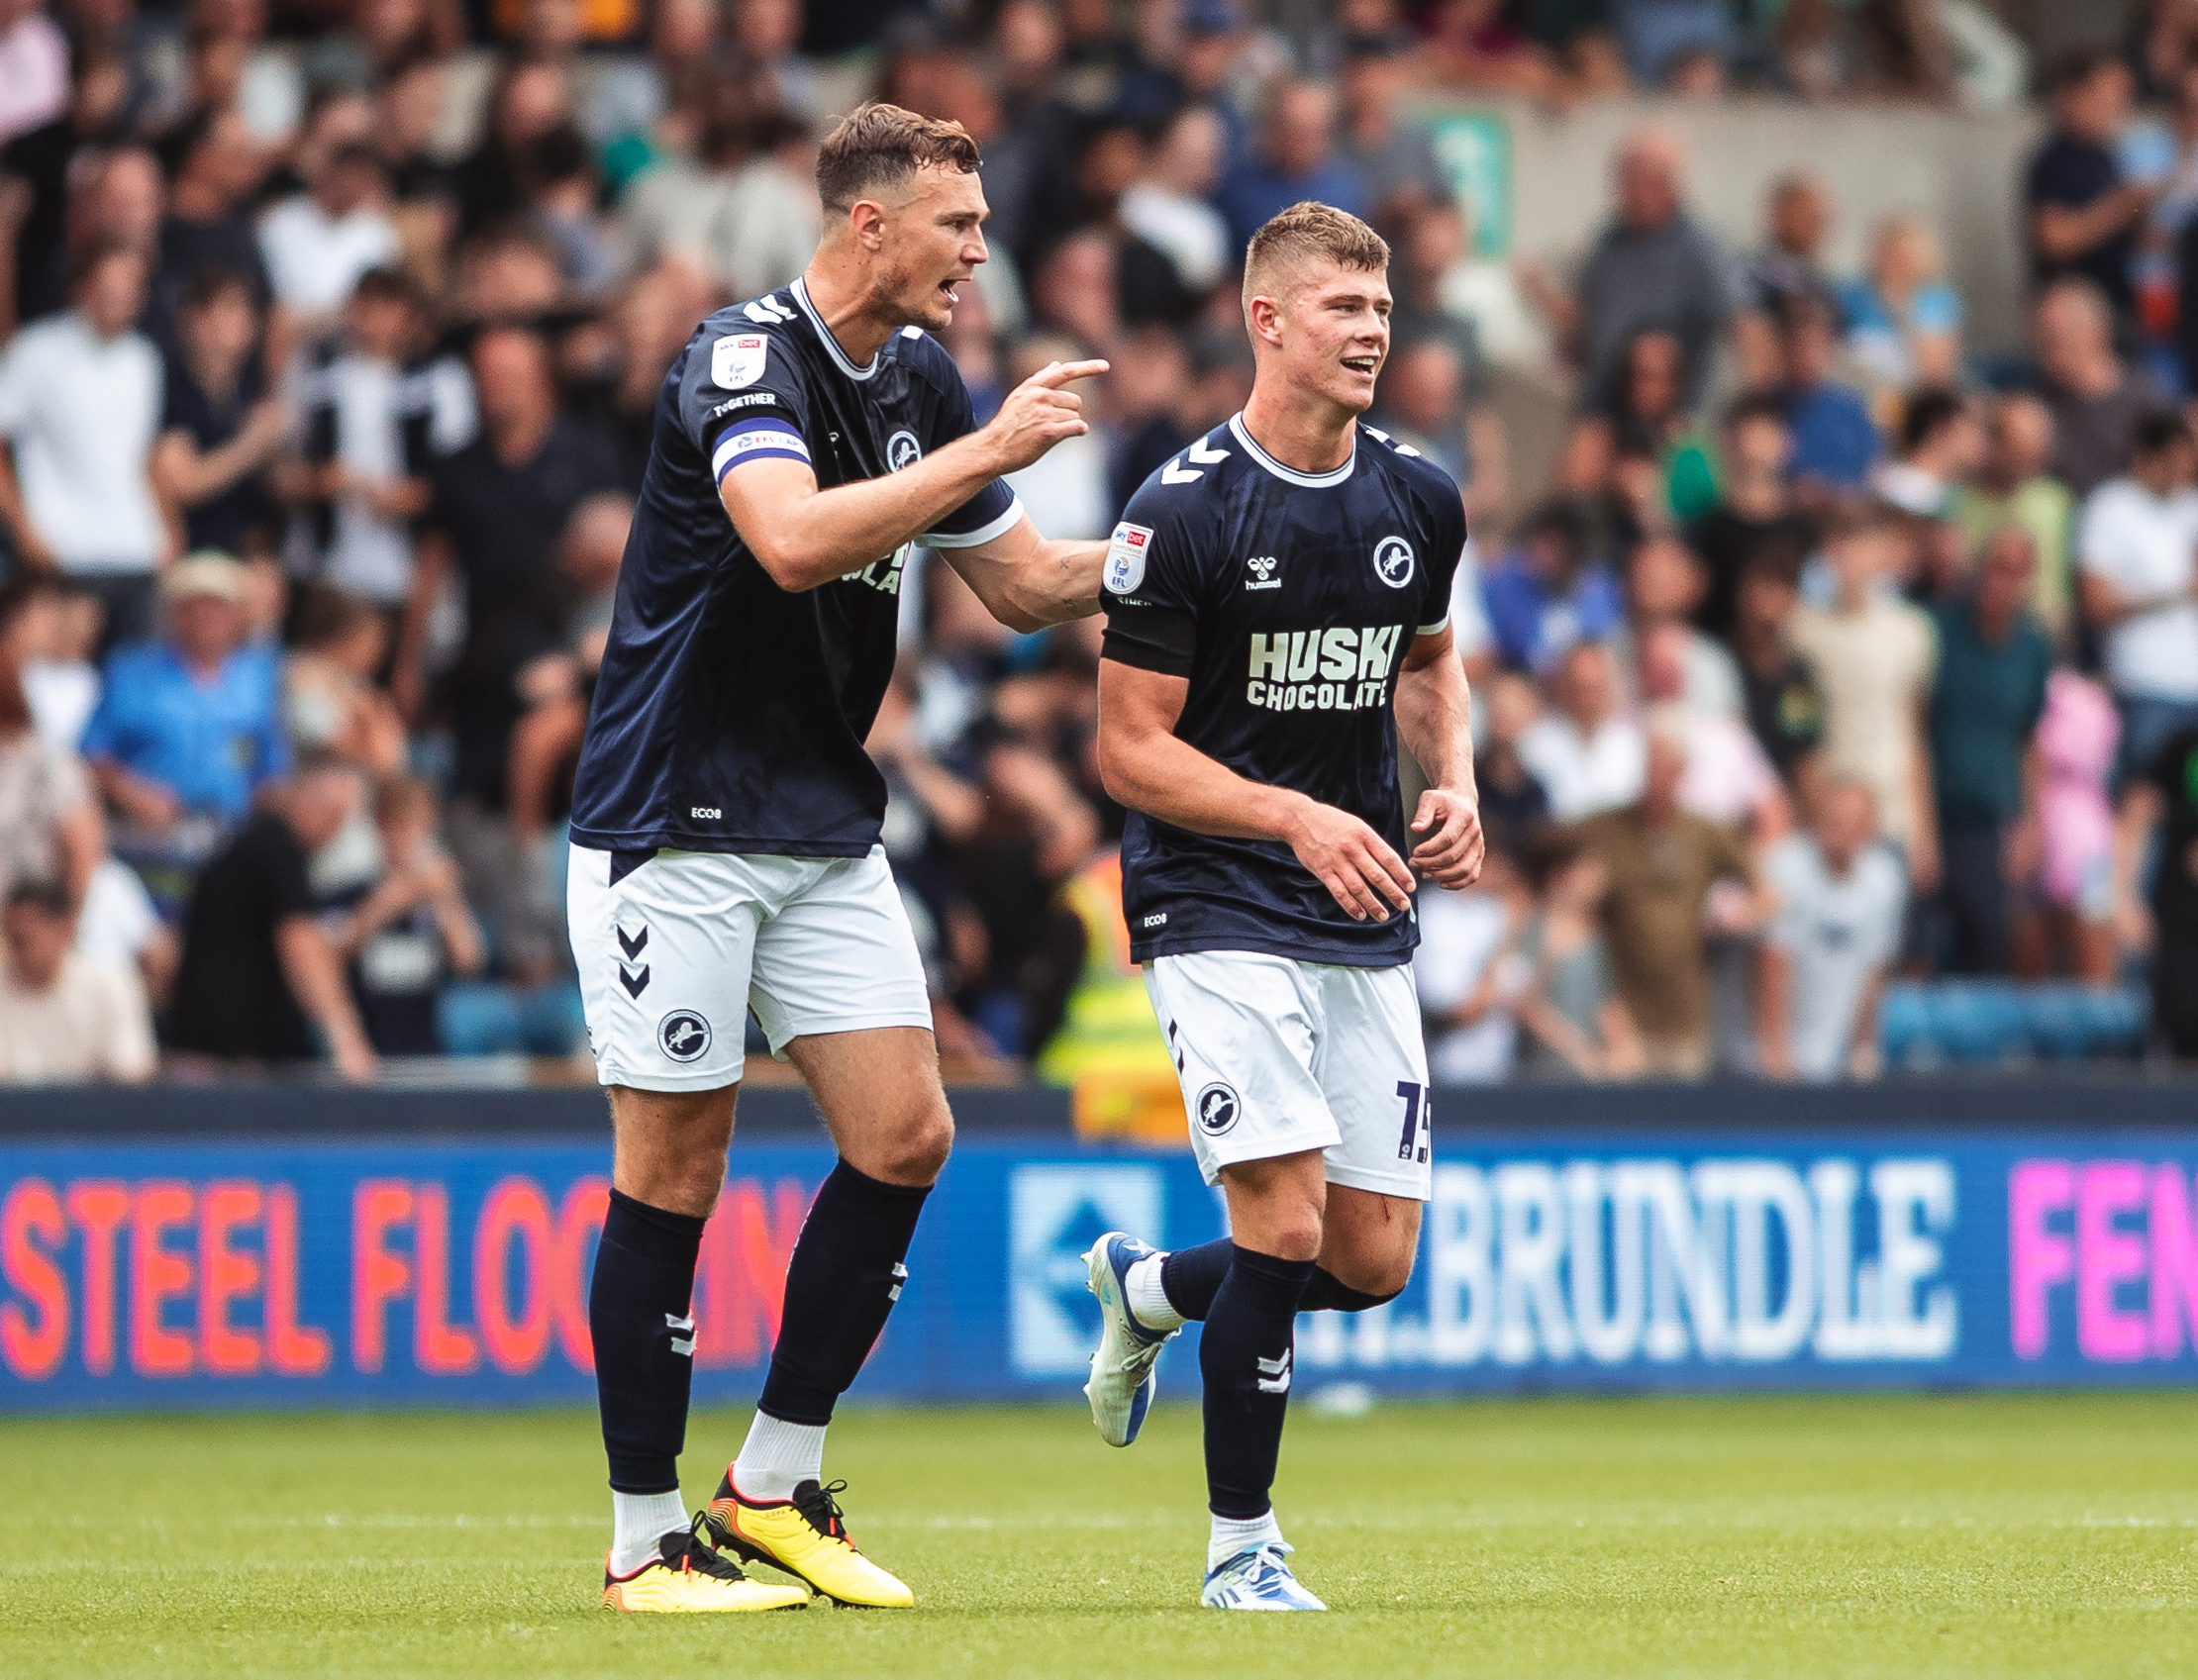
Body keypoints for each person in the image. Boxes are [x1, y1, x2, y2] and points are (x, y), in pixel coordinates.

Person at [565, 103, 1115, 1614]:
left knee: (907, 1136)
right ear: (869, 222)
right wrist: (992, 445)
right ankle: (635, 1544)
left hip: (817, 821)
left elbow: (1019, 587)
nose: (979, 251)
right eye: (958, 225)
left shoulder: (923, 380)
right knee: (675, 1165)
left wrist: (1194, 549)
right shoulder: (742, 357)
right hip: (672, 819)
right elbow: (792, 539)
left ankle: (765, 1488)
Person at [1076, 201, 1481, 1612]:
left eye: (1382, 311)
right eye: (1343, 311)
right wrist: (1296, 814)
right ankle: (1240, 1549)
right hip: (1216, 890)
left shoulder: (1419, 497)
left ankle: (1154, 1294)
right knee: (1289, 1227)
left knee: (1371, 1259)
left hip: (1357, 892)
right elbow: (1127, 748)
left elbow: (1429, 663)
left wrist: (1457, 780)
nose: (1373, 333)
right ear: (1267, 321)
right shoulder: (1180, 508)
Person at [162, 749, 377, 1079]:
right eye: (333, 815)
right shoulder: (278, 853)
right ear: (304, 802)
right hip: (230, 1065)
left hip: (218, 1054)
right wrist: (346, 1039)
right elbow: (301, 947)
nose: (335, 830)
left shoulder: (251, 846)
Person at [0, 243, 170, 649]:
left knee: (129, 690)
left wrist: (167, 529)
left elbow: (141, 456)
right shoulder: (35, 350)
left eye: (131, 288)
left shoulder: (145, 359)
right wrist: (25, 531)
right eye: (111, 288)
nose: (122, 298)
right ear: (82, 289)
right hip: (65, 553)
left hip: (136, 553)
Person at [1579, 727, 1756, 1077]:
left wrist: (1737, 917)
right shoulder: (1604, 828)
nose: (1656, 778)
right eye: (1651, 767)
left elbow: (1763, 887)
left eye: (1666, 768)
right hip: (1623, 1014)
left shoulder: (1702, 832)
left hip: (1686, 1013)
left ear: (1681, 775)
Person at [80, 552, 288, 844]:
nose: (205, 617)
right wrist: (130, 792)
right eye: (192, 606)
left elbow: (271, 767)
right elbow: (91, 755)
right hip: (146, 834)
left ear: (238, 614)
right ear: (172, 612)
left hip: (230, 833)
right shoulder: (131, 671)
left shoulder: (258, 676)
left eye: (217, 606)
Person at [1788, 505, 1940, 893]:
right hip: (1830, 817)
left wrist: (1924, 832)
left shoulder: (1910, 630)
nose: (1851, 557)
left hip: (1893, 816)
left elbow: (1914, 731)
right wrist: (1811, 810)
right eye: (1842, 546)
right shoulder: (1801, 630)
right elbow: (1800, 732)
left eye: (1862, 544)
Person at [1925, 527, 2052, 974]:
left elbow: (2029, 739)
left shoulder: (2033, 646)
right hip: (1933, 814)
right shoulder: (1937, 629)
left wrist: (2033, 823)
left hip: (1988, 824)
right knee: (1918, 951)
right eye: (1996, 568)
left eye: (2016, 572)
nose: (2003, 581)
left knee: (1987, 950)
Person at [2074, 409, 2198, 786]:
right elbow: (2095, 604)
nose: (2186, 472)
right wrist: (2178, 593)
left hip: (2193, 686)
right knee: (2142, 804)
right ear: (2148, 455)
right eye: (2178, 462)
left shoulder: (2190, 507)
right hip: (2142, 684)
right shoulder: (2108, 508)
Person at [1757, 778, 1906, 1081]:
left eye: (1854, 822)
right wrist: (1775, 1049)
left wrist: (1864, 1045)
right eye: (1835, 820)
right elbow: (1772, 964)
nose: (1843, 831)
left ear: (1869, 828)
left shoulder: (1885, 879)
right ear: (1818, 820)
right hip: (1770, 1055)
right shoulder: (1783, 867)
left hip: (1828, 1056)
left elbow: (1874, 968)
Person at [332, 773, 482, 1055]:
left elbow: (469, 962)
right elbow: (336, 953)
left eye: (420, 827)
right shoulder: (351, 894)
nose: (409, 837)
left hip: (426, 1052)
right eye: (399, 826)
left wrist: (445, 897)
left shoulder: (435, 898)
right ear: (380, 827)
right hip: (370, 1053)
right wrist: (390, 900)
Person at [153, 266, 285, 561]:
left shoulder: (251, 387)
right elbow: (185, 484)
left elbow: (277, 483)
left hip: (252, 553)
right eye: (230, 308)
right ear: (196, 319)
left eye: (248, 309)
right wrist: (254, 442)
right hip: (196, 555)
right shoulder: (173, 388)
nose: (245, 320)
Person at [2026, 49, 2150, 330]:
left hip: (2120, 309)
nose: (2116, 108)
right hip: (2074, 318)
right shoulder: (2054, 160)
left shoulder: (2110, 159)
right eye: (2105, 97)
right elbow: (2054, 238)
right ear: (2073, 94)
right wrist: (2126, 203)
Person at [1509, 824, 1641, 1080]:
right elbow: (1523, 1005)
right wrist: (1582, 1053)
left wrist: (1624, 1047)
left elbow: (1605, 1002)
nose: (1599, 876)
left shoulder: (1595, 936)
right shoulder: (1530, 930)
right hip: (1539, 1078)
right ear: (1559, 877)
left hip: (1586, 1081)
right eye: (1588, 868)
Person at [0, 876, 155, 1082]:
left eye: (32, 932)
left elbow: (132, 1075)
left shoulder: (110, 985)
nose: (24, 937)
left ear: (65, 928)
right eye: (16, 937)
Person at [1951, 392, 2076, 642]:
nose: (2030, 461)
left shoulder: (2057, 501)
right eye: (2020, 449)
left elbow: (2064, 582)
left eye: (2036, 451)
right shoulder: (1959, 502)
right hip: (1978, 637)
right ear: (1994, 444)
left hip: (2043, 638)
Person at [2033, 277, 2154, 500]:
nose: (2044, 352)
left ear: (2096, 335)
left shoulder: (2147, 402)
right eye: (2040, 339)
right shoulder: (2035, 402)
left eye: (2055, 339)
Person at [1519, 640, 1645, 822]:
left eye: (1593, 688)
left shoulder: (1634, 745)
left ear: (1609, 687)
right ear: (1562, 686)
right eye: (1578, 686)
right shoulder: (1534, 745)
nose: (1586, 698)